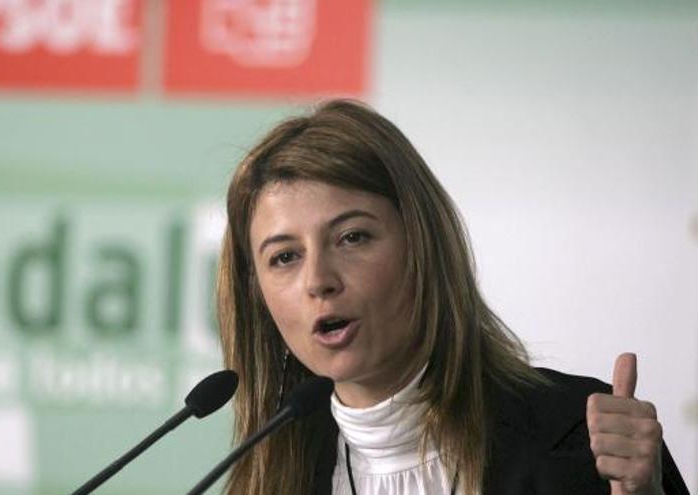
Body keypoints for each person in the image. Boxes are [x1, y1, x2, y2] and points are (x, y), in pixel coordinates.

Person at [215, 99, 689, 494]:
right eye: (284, 257)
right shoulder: (267, 482)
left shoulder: (579, 437)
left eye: (352, 238)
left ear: (423, 245)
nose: (319, 279)